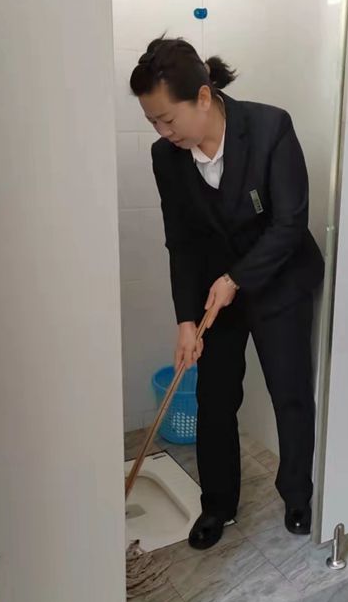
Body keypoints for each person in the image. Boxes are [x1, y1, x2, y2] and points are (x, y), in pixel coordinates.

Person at [129, 37, 324, 550]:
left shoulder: (269, 127)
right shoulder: (166, 157)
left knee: (290, 392)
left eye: (167, 119)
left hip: (279, 280)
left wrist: (236, 279)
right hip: (215, 292)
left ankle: (298, 494)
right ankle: (218, 504)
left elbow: (289, 223)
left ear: (202, 97)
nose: (163, 132)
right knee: (214, 397)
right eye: (153, 122)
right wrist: (185, 321)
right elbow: (181, 243)